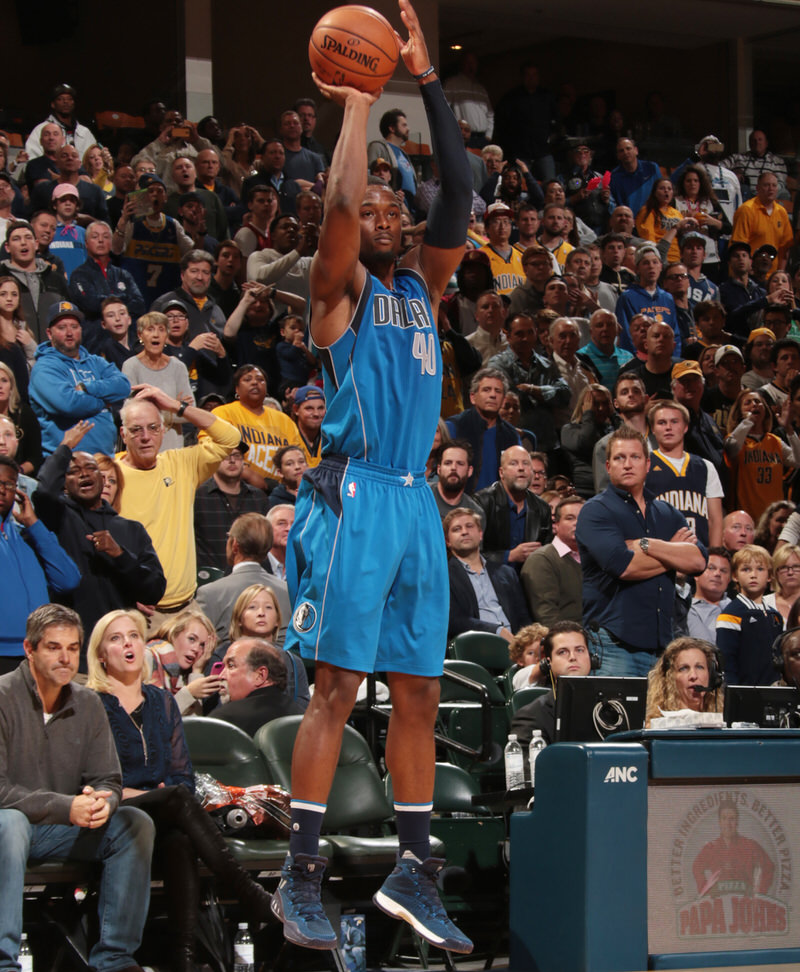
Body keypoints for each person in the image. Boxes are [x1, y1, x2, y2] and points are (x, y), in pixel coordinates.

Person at [276, 0, 475, 954]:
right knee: (338, 689)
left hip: (415, 505)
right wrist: (359, 102)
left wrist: (425, 80)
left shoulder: (427, 289)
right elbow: (343, 210)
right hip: (355, 495)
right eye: (382, 213)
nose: (390, 217)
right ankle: (301, 873)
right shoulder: (340, 294)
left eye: (402, 210)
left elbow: (462, 187)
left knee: (421, 693)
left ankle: (414, 864)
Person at [86, 609, 273, 972]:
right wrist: (143, 795)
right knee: (175, 801)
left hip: (165, 813)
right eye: (116, 638)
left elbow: (182, 777)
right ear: (100, 655)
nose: (127, 644)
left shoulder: (162, 702)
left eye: (134, 636)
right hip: (114, 816)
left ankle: (183, 959)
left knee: (180, 838)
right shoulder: (91, 704)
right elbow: (94, 783)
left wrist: (159, 794)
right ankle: (245, 891)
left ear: (144, 645)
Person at [0, 603, 155, 972]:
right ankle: (4, 962)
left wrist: (104, 801)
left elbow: (108, 778)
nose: (65, 657)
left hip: (61, 829)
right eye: (54, 647)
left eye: (72, 648)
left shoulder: (87, 702)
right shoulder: (3, 697)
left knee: (135, 824)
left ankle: (115, 958)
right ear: (29, 649)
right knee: (10, 824)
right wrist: (65, 806)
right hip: (12, 827)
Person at [577, 427, 707, 676]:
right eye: (619, 458)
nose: (627, 464)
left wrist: (647, 545)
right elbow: (624, 566)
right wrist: (673, 554)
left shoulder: (666, 512)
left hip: (662, 647)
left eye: (635, 457)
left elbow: (699, 560)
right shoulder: (596, 511)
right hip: (613, 644)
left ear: (648, 464)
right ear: (608, 466)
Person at [32, 433, 166, 660]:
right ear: (64, 483)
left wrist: (120, 555)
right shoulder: (59, 518)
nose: (83, 473)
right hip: (72, 650)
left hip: (118, 651)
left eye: (90, 468)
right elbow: (43, 492)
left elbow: (154, 590)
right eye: (73, 471)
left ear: (103, 479)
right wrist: (65, 447)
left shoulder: (131, 529)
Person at [116, 385, 240, 619]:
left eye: (153, 428)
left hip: (186, 607)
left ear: (164, 431)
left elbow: (230, 438)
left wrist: (176, 406)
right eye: (136, 430)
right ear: (123, 434)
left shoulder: (181, 463)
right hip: (138, 611)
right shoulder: (110, 474)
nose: (145, 437)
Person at [29, 301, 131, 457]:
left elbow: (123, 386)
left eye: (74, 327)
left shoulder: (96, 361)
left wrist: (87, 388)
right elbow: (69, 404)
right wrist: (104, 401)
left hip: (106, 460)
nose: (69, 333)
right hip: (67, 464)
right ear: (49, 333)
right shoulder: (44, 368)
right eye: (62, 328)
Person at [194, 511, 292, 649]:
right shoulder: (287, 590)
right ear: (268, 548)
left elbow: (199, 646)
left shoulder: (209, 593)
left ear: (234, 545)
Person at [206, 365, 303, 489]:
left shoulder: (284, 420)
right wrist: (249, 476)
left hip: (280, 490)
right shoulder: (223, 413)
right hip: (237, 487)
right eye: (247, 379)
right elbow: (212, 452)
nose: (255, 383)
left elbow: (297, 455)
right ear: (237, 389)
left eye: (260, 380)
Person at [444, 507, 530, 641]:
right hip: (475, 645)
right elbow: (453, 620)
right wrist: (496, 630)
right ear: (447, 541)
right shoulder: (443, 575)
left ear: (480, 534)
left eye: (469, 526)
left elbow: (523, 617)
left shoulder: (506, 573)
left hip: (515, 644)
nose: (464, 532)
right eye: (457, 529)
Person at [646, 400, 724, 548]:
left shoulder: (706, 467)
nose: (668, 427)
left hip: (699, 555)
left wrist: (714, 555)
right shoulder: (644, 465)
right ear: (653, 429)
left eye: (674, 422)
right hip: (661, 554)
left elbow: (715, 520)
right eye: (662, 423)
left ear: (685, 427)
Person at [509, 621, 593, 746]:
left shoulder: (613, 708)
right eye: (562, 652)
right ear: (549, 663)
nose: (573, 657)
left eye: (579, 650)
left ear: (591, 658)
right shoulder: (531, 717)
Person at [724, 388, 800, 521]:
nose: (754, 404)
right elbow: (731, 449)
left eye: (758, 402)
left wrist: (788, 429)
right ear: (739, 412)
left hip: (773, 520)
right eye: (748, 403)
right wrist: (747, 421)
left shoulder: (774, 441)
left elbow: (798, 461)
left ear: (765, 410)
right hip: (746, 518)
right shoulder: (736, 439)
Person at [193, 445, 270, 573]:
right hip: (209, 579)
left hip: (251, 580)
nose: (232, 460)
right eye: (225, 456)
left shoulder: (258, 498)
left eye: (237, 456)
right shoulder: (197, 496)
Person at [475, 445, 554, 568]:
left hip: (529, 579)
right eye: (514, 463)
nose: (521, 468)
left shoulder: (542, 508)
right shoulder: (483, 502)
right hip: (492, 580)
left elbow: (548, 554)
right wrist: (509, 556)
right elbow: (471, 554)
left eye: (526, 464)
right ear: (501, 472)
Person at [717, 544, 783, 684]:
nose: (753, 575)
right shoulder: (731, 615)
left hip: (774, 692)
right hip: (744, 694)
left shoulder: (775, 615)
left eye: (760, 569)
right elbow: (727, 662)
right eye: (746, 569)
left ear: (770, 576)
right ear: (735, 576)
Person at [210, 637, 305, 736]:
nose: (221, 676)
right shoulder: (302, 718)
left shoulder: (225, 719)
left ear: (260, 675)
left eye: (231, 665)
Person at [520, 495, 584, 626]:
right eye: (570, 518)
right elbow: (547, 616)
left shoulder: (595, 557)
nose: (577, 523)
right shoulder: (542, 560)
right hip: (568, 639)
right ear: (556, 524)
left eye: (583, 518)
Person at [145, 607, 221, 715]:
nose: (196, 649)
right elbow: (155, 719)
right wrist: (188, 693)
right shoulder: (149, 656)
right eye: (191, 639)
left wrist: (197, 671)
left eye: (202, 645)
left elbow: (194, 725)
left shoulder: (181, 674)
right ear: (174, 633)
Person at [692, 799, 775, 898]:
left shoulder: (750, 846)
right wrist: (705, 892)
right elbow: (696, 867)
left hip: (745, 904)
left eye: (732, 819)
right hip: (719, 904)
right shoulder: (711, 848)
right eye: (724, 818)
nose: (728, 823)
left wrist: (760, 893)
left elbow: (769, 866)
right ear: (719, 822)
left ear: (737, 822)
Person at [644, 637, 724, 726]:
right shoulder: (654, 725)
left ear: (711, 675)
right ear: (670, 677)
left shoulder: (725, 723)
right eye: (684, 668)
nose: (693, 676)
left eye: (699, 667)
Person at [731, 172, 793, 274]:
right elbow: (739, 245)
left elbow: (785, 248)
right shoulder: (746, 210)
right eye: (766, 185)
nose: (771, 189)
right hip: (750, 274)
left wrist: (780, 272)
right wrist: (747, 271)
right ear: (757, 188)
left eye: (774, 185)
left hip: (772, 277)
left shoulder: (782, 212)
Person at [687, 547, 732, 642]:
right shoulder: (687, 610)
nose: (717, 574)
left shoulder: (737, 607)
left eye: (723, 571)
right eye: (711, 568)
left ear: (729, 579)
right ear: (696, 574)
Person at [763, 543, 800, 626]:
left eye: (796, 567)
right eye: (784, 568)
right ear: (775, 573)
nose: (790, 572)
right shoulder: (765, 604)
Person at [507, 622, 548, 691]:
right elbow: (535, 671)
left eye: (543, 652)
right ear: (520, 660)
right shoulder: (520, 675)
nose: (538, 657)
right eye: (531, 653)